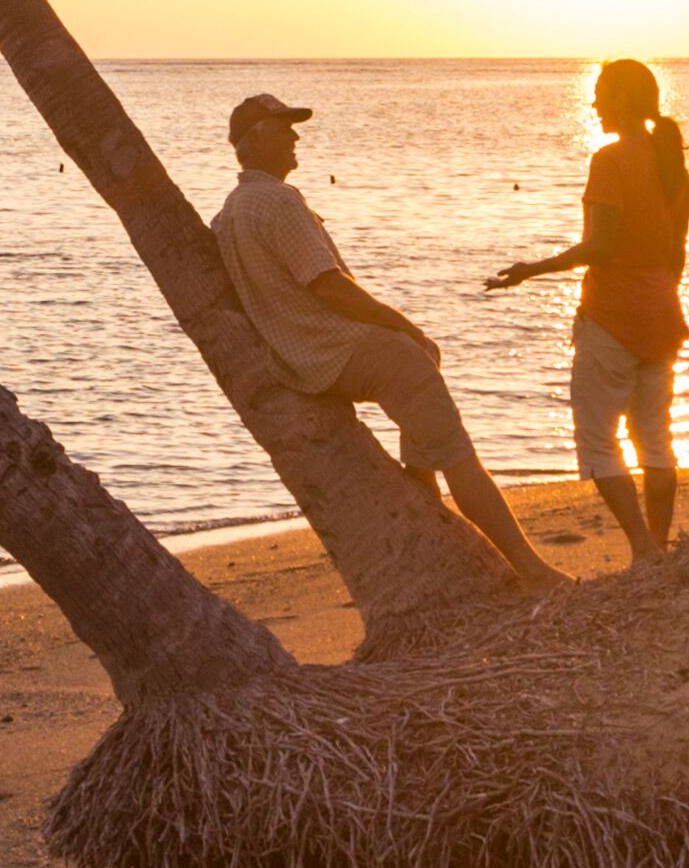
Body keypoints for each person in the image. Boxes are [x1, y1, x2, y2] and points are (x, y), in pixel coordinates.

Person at [209, 91, 566, 587]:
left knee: (423, 387)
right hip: (340, 350)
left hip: (301, 362)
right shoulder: (277, 200)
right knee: (455, 446)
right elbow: (330, 286)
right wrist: (404, 325)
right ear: (255, 139)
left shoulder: (227, 216)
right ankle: (531, 571)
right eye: (283, 127)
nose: (294, 137)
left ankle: (433, 536)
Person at [487, 58, 689, 562]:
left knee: (599, 440)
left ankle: (644, 550)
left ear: (622, 99)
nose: (594, 102)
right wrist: (658, 296)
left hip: (611, 318)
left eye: (601, 93)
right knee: (655, 438)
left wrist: (529, 269)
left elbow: (599, 247)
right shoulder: (672, 164)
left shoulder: (610, 160)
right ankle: (659, 548)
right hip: (662, 314)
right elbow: (677, 253)